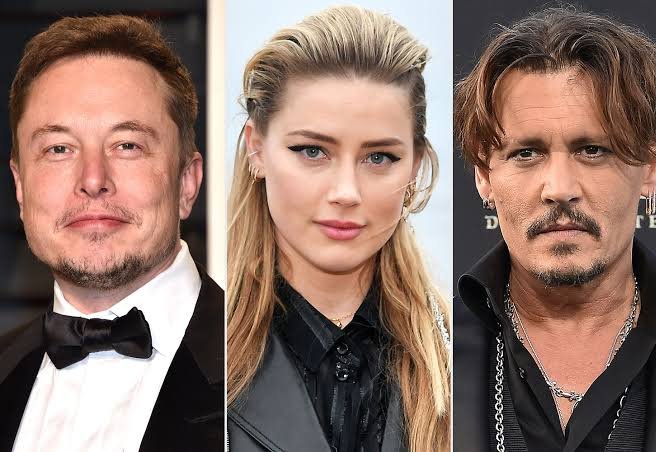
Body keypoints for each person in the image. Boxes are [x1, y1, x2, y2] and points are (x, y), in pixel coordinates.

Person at [226, 6, 450, 452]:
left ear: (415, 167)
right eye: (312, 151)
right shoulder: (201, 350)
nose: (346, 192)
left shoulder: (470, 362)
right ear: (257, 149)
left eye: (379, 158)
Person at [453, 7, 656, 451]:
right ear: (483, 173)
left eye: (592, 150)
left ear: (652, 166)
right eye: (526, 153)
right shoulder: (424, 354)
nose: (559, 189)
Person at [0, 15, 223, 452]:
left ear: (187, 183)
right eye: (58, 149)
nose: (93, 179)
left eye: (127, 145)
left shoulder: (278, 371)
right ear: (21, 188)